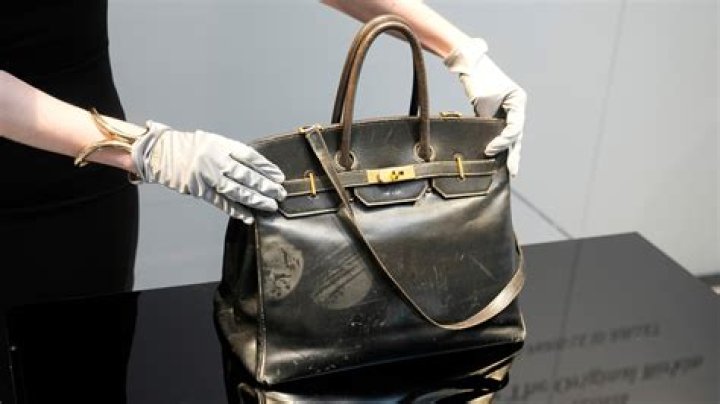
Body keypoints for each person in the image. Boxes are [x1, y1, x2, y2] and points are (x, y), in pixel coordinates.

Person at [0, 0, 526, 399]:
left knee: (83, 378)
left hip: (86, 192)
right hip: (97, 150)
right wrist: (144, 148)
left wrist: (463, 51)